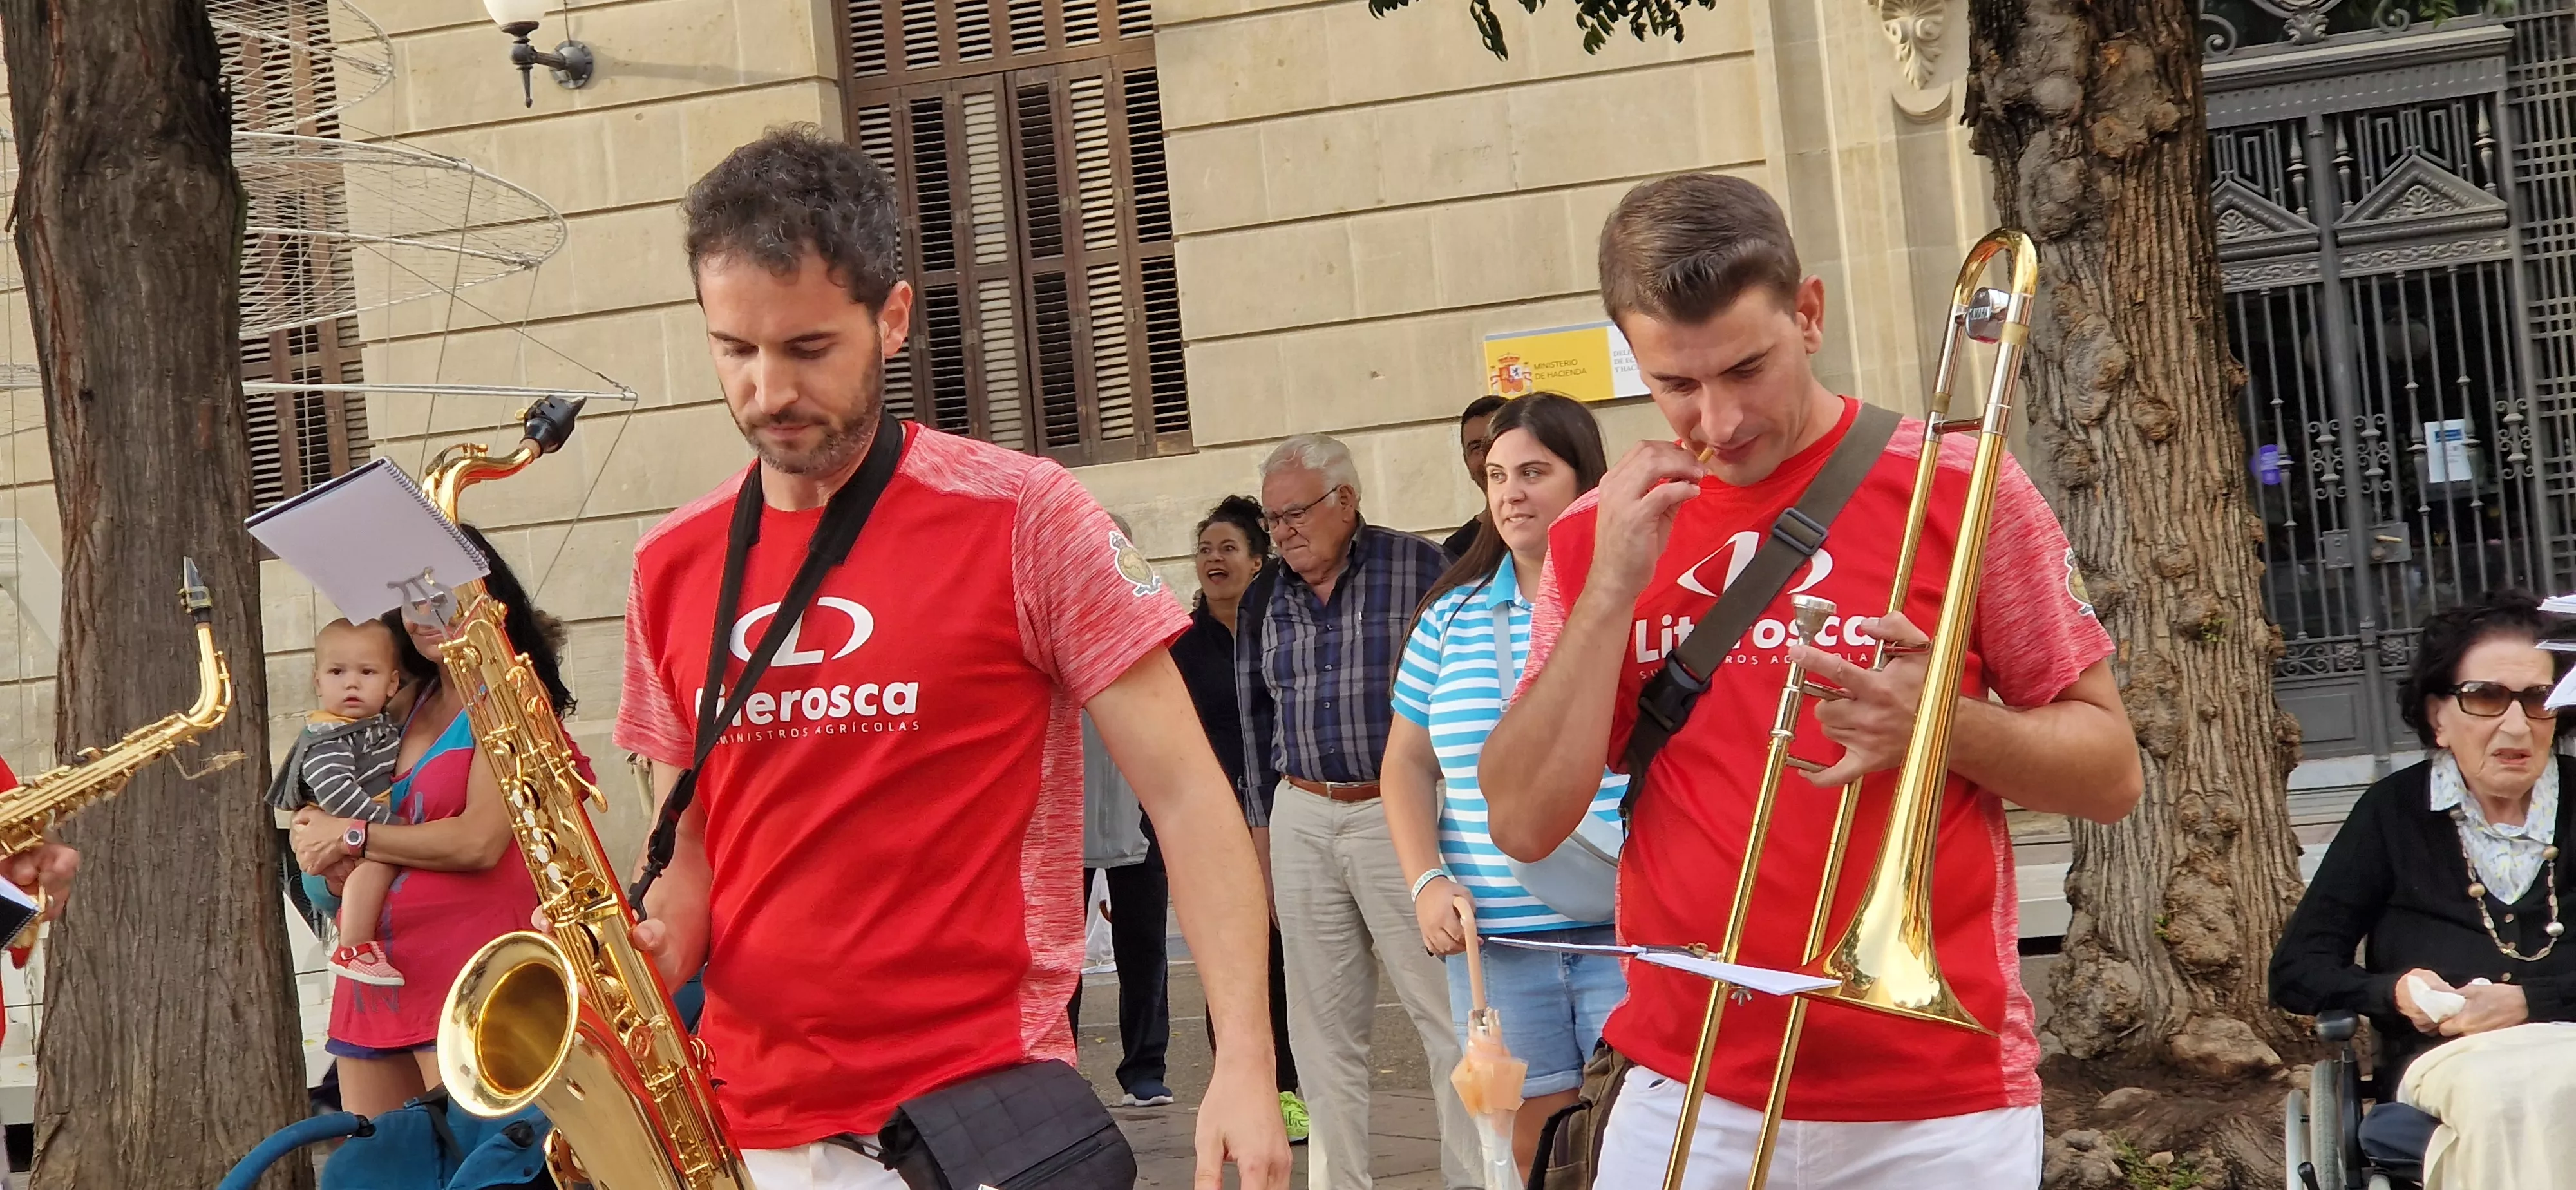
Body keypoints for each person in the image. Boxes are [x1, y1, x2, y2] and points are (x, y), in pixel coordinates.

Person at [613, 127, 1286, 1190]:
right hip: (746, 1133)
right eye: (733, 349)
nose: (767, 390)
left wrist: (1246, 1059)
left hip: (979, 1125)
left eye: (806, 348)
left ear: (890, 317)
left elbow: (1190, 799)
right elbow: (687, 847)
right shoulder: (670, 565)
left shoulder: (1027, 515)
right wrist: (655, 939)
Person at [1481, 173, 2142, 1189]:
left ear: (1811, 314)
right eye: (1675, 385)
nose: (1721, 419)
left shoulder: (1963, 485)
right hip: (1684, 1086)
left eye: (1749, 368)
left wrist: (1940, 724)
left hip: (1936, 1101)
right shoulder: (1595, 534)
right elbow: (1525, 821)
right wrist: (1611, 586)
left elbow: (2111, 775)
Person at [1385, 392, 1629, 1180]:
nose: (1510, 493)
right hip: (1497, 946)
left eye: (1533, 471)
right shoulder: (1447, 619)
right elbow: (1407, 762)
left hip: (1629, 934)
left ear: (1582, 478)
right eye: (1495, 475)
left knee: (1632, 1140)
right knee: (1534, 1157)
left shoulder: (1635, 602)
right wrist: (1425, 881)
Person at [1236, 432, 1480, 1190]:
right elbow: (1252, 724)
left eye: (1295, 514)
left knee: (1445, 1016)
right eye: (1271, 520)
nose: (1281, 533)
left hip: (1398, 815)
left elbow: (1460, 694)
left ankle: (1475, 1179)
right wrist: (1259, 844)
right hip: (1302, 811)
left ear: (1346, 500)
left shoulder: (1420, 568)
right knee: (1320, 1031)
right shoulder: (1262, 596)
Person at [2270, 590, 2576, 1179]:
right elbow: (2297, 970)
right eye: (2486, 697)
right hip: (2449, 1062)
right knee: (2512, 1100)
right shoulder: (2392, 812)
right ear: (2439, 717)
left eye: (2538, 699)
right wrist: (2396, 995)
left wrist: (2530, 1003)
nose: (2516, 723)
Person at [287, 523, 573, 1117]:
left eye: (441, 595)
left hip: (472, 975)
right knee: (385, 1166)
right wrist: (314, 825)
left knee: (486, 1169)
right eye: (411, 600)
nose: (424, 615)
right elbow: (343, 793)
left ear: (486, 597)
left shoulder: (511, 699)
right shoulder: (401, 698)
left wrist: (355, 836)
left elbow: (479, 842)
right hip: (379, 971)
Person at [1170, 494, 1309, 1142]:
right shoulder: (1177, 645)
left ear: (1258, 561)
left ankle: (1298, 1084)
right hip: (1213, 822)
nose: (1213, 560)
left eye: (1228, 548)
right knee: (1234, 959)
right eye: (1204, 550)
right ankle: (1251, 1088)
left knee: (1297, 954)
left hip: (1291, 811)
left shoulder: (1281, 629)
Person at [267, 617, 410, 986]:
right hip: (351, 826)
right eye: (336, 672)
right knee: (374, 868)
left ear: (392, 683)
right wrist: (390, 828)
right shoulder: (330, 737)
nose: (351, 683)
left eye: (367, 672)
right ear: (318, 682)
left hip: (358, 823)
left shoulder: (372, 724)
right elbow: (337, 794)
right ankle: (355, 947)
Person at [1441, 396, 1507, 560]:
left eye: (1497, 442)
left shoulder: (1562, 530)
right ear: (1465, 460)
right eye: (1476, 448)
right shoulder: (1455, 552)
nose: (1488, 457)